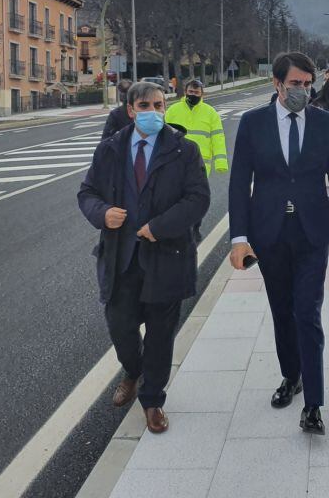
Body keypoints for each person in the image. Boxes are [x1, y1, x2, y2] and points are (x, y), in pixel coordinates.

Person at [228, 52, 329, 436]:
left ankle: (314, 404)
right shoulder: (253, 124)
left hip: (312, 233)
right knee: (281, 311)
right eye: (294, 83)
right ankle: (291, 376)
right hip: (269, 234)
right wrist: (239, 238)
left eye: (307, 83)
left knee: (307, 313)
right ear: (277, 84)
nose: (302, 89)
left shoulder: (324, 123)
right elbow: (238, 185)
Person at [77, 82, 211, 434]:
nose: (153, 111)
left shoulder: (184, 151)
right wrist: (102, 213)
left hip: (167, 255)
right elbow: (87, 192)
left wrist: (160, 226)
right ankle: (132, 369)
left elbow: (198, 199)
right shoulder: (110, 150)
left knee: (161, 333)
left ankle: (152, 401)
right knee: (120, 328)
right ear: (131, 110)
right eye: (144, 105)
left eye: (159, 104)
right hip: (121, 257)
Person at [165, 79, 229, 176]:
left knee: (198, 190)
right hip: (176, 160)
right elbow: (163, 134)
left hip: (201, 163)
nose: (193, 95)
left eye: (196, 92)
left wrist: (221, 162)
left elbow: (217, 137)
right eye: (191, 92)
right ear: (185, 92)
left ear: (202, 94)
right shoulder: (173, 110)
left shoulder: (210, 113)